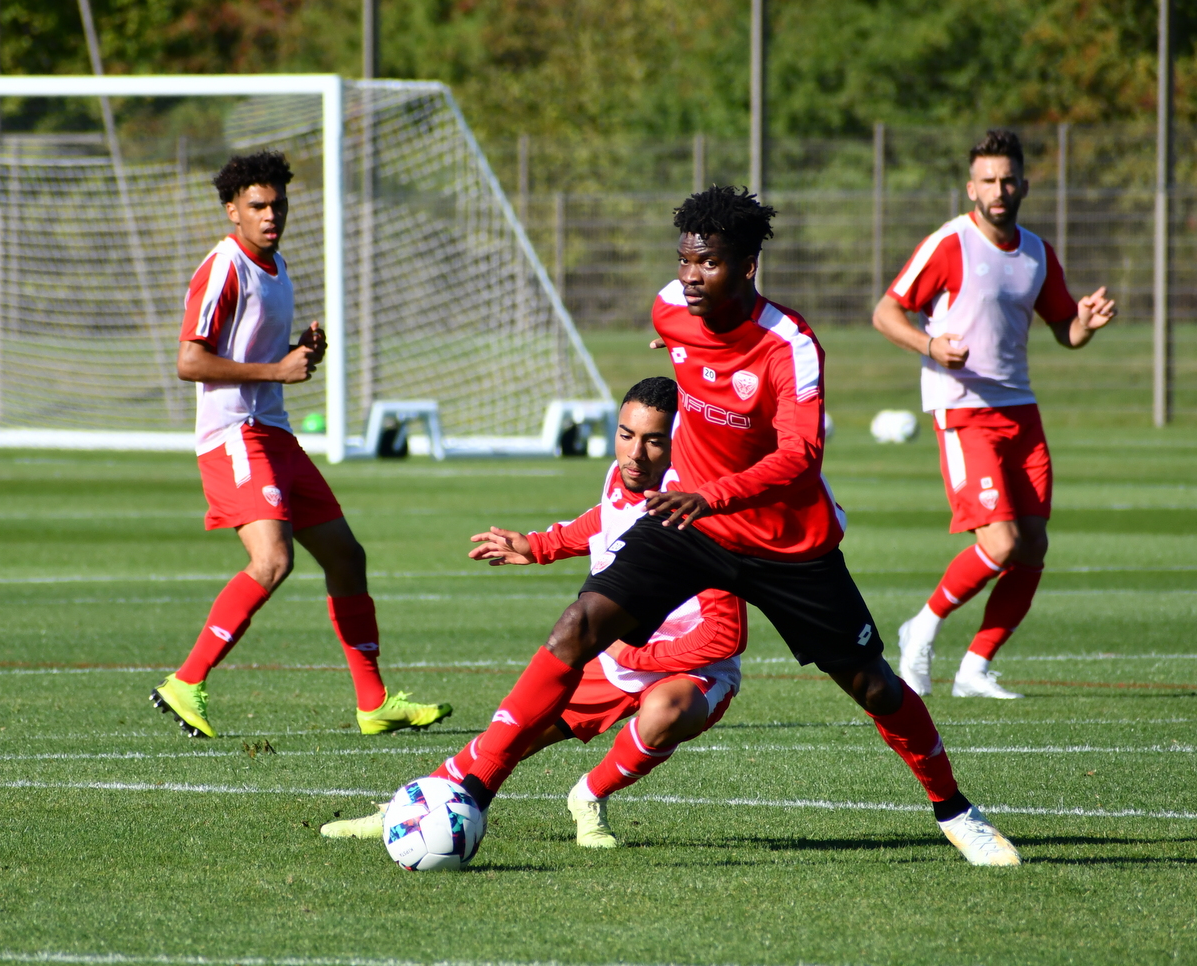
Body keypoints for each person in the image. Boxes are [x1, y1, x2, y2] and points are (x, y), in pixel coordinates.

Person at [400, 185, 1020, 866]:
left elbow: (800, 456)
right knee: (576, 627)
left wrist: (714, 495)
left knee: (873, 685)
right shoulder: (671, 308)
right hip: (690, 525)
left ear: (748, 266)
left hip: (786, 543)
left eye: (709, 263)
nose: (691, 276)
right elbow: (685, 360)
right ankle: (473, 787)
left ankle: (955, 810)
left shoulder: (790, 344)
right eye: (685, 260)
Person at [321, 377, 748, 848]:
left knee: (666, 712)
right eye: (626, 434)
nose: (634, 453)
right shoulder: (622, 475)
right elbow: (608, 519)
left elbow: (724, 635)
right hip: (614, 654)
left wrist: (634, 656)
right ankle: (409, 813)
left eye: (654, 441)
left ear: (679, 442)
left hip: (691, 668)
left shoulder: (698, 507)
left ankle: (589, 795)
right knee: (510, 736)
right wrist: (540, 546)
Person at [149, 150, 452, 738]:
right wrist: (278, 371)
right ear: (232, 209)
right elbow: (190, 361)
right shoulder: (224, 267)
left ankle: (374, 703)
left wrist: (299, 351)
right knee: (272, 561)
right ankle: (186, 681)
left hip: (274, 432)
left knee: (346, 556)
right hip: (234, 435)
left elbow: (255, 353)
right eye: (257, 205)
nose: (271, 215)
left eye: (278, 204)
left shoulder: (276, 265)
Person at [872, 129, 1116, 700]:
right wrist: (931, 346)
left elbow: (1064, 330)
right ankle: (921, 627)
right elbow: (886, 312)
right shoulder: (949, 244)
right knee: (1001, 543)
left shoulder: (1036, 253)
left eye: (1008, 180)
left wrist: (1084, 323)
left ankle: (975, 668)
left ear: (1024, 185)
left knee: (1032, 547)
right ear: (971, 188)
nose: (998, 191)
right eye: (988, 181)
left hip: (1020, 411)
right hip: (962, 409)